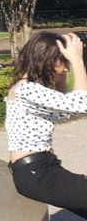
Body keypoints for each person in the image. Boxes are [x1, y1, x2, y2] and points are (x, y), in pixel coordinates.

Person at [5, 32, 87, 217]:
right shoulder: (26, 89)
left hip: (40, 170)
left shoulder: (28, 90)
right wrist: (77, 60)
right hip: (37, 174)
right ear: (46, 60)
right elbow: (83, 104)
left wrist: (62, 77)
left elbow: (67, 110)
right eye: (62, 61)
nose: (66, 69)